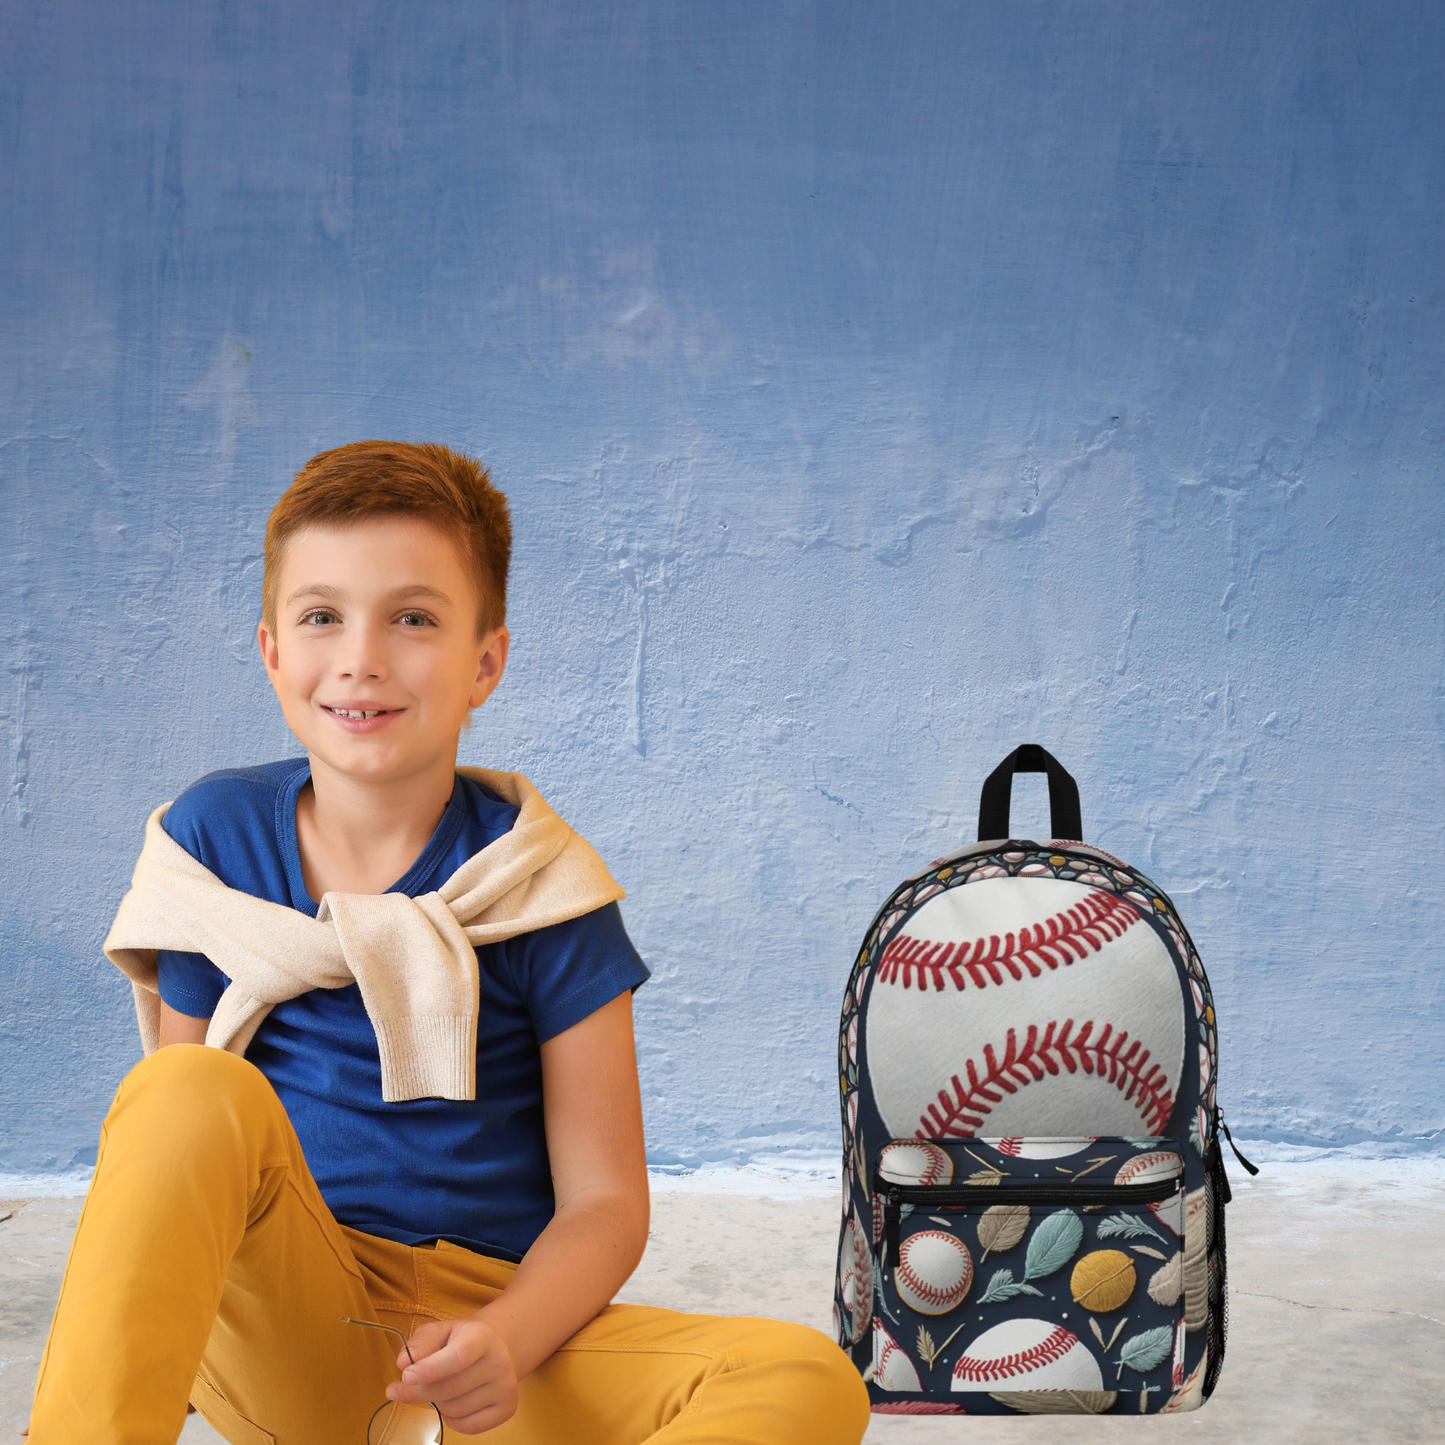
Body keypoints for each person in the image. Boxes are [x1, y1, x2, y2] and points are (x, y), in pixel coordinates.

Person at [28, 442, 869, 1444]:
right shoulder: (213, 841)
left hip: (491, 1351)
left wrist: (505, 1342)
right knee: (178, 1090)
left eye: (413, 618)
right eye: (321, 616)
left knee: (801, 1373)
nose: (361, 658)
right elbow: (176, 1171)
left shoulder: (540, 883)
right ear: (271, 650)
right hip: (284, 1316)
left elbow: (605, 1201)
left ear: (485, 661)